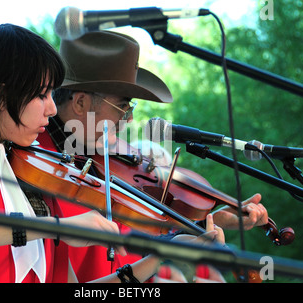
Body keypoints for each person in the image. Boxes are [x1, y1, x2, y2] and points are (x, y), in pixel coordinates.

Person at [0, 23, 222, 283]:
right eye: (40, 95)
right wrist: (55, 227)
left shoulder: (27, 185)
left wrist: (160, 256)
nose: (52, 108)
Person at [37, 30, 268, 282]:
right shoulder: (36, 163)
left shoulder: (104, 156)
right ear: (80, 103)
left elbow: (135, 238)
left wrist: (206, 222)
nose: (130, 118)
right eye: (123, 107)